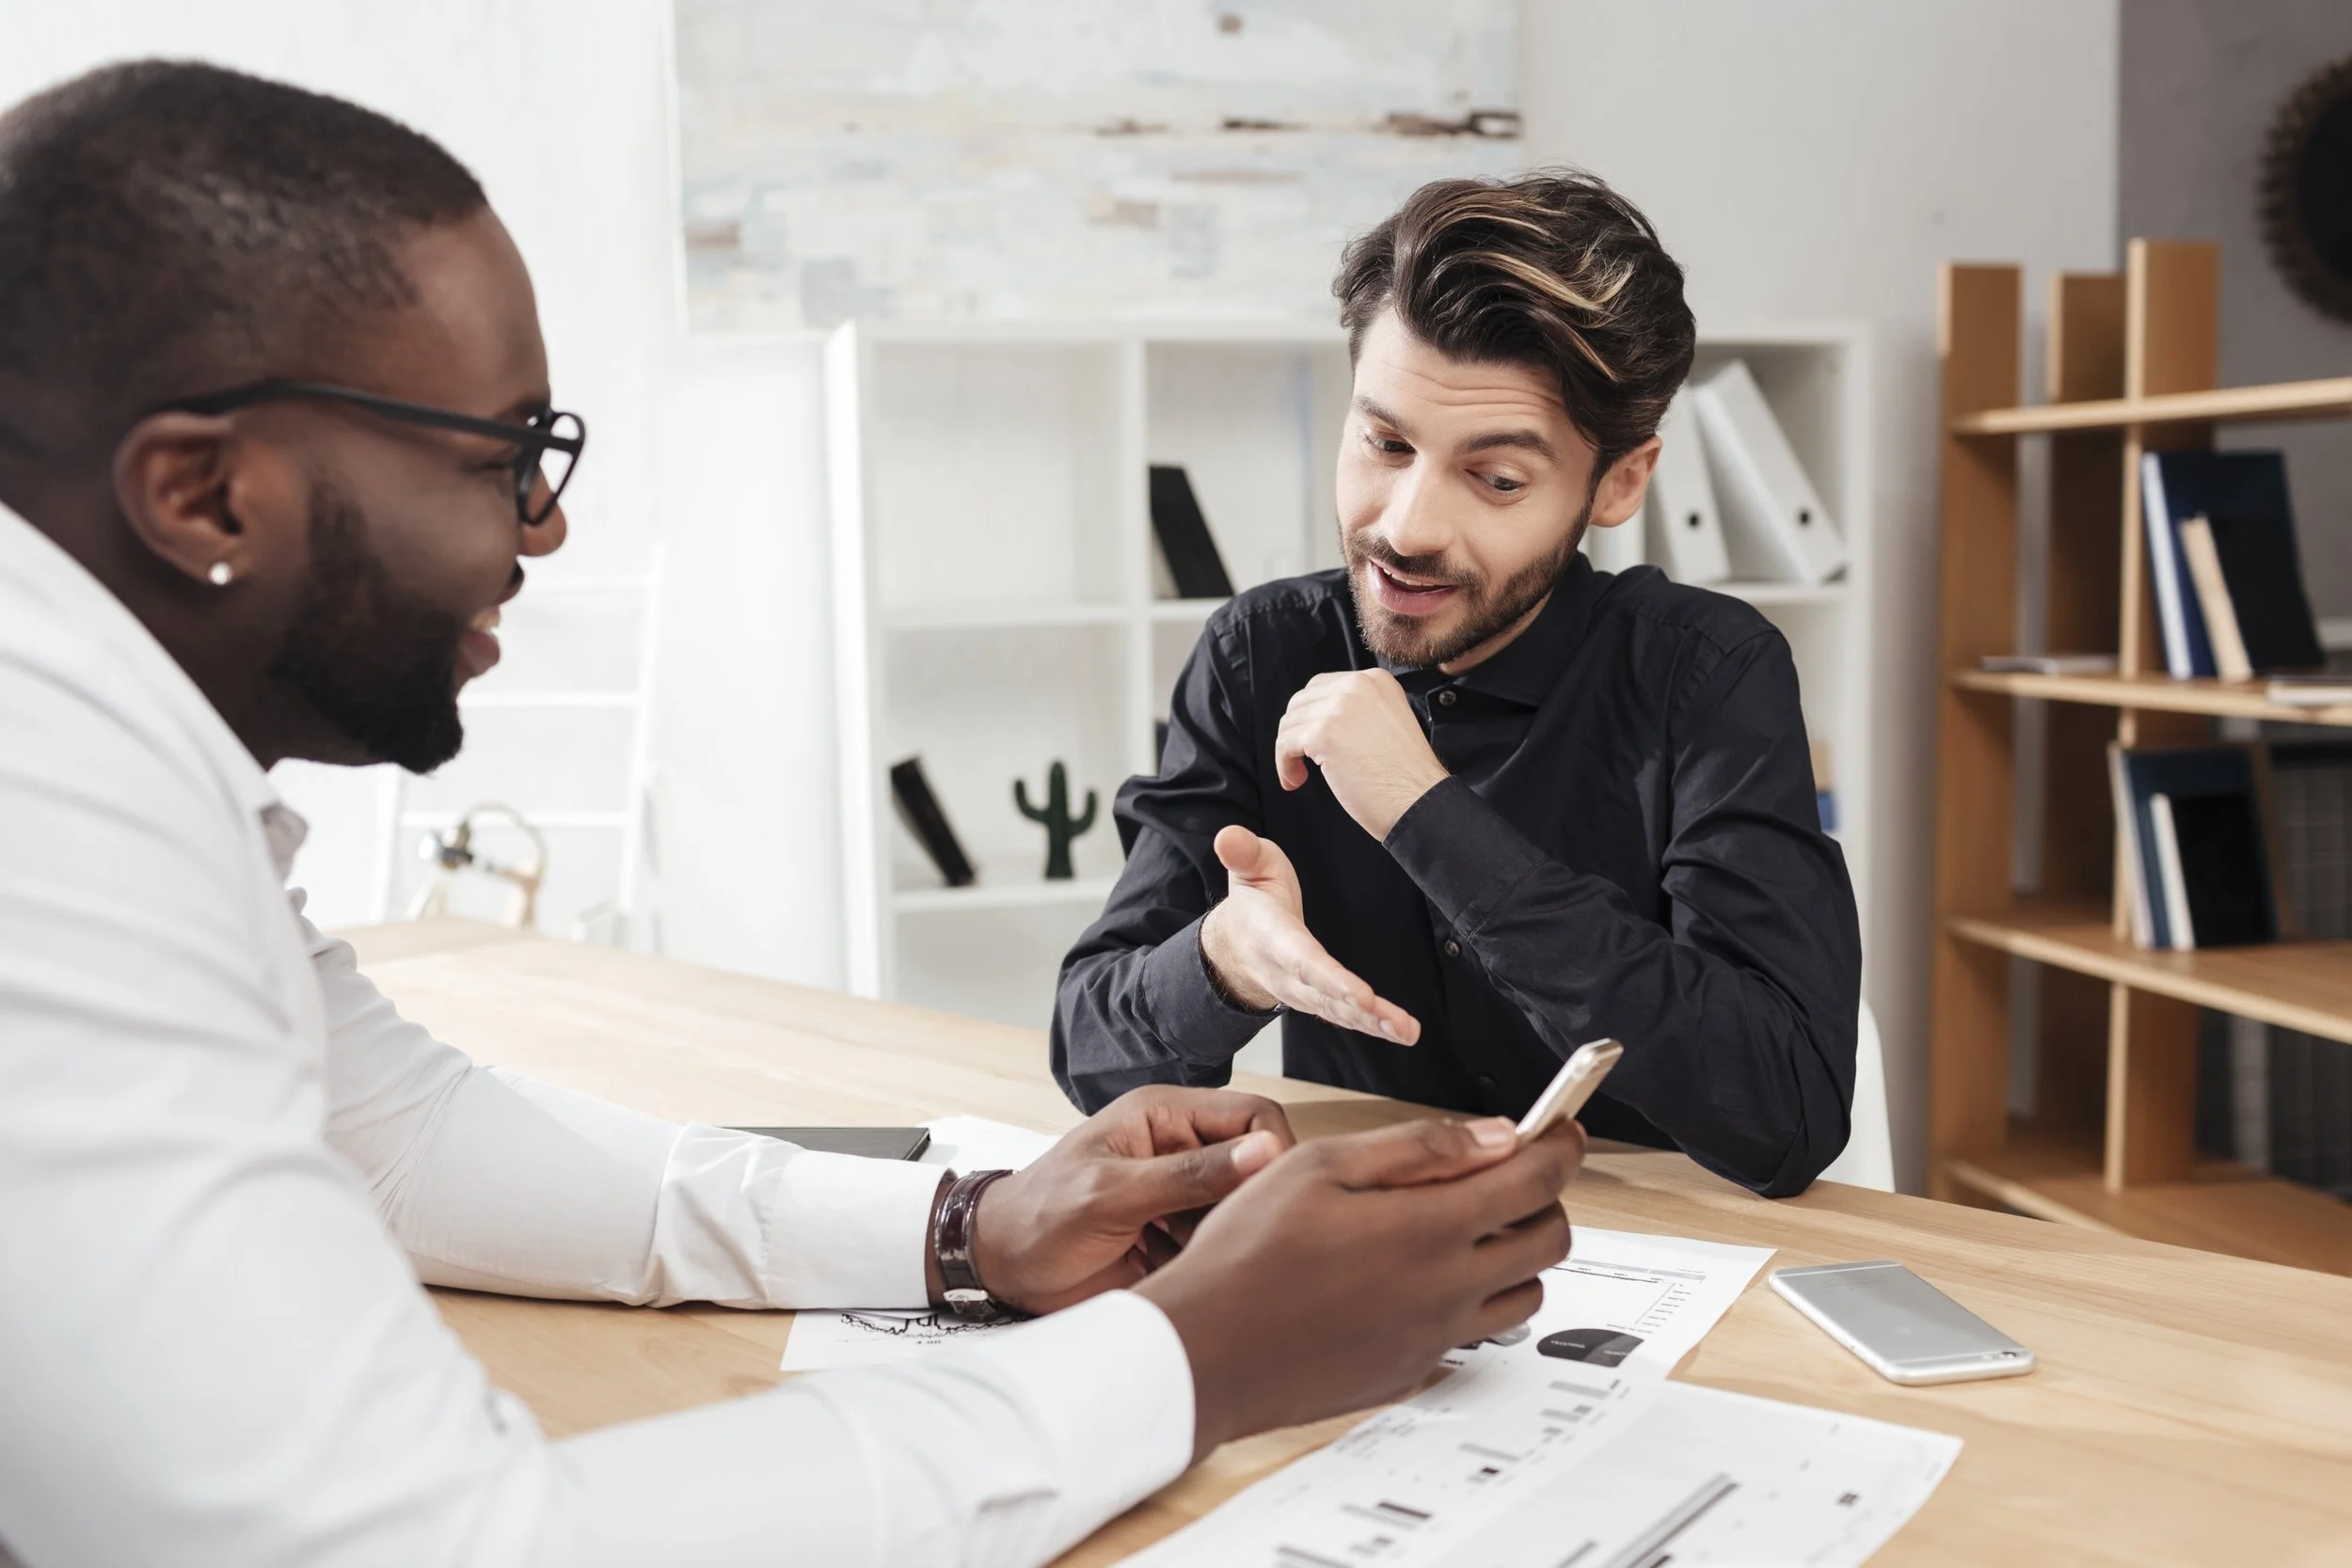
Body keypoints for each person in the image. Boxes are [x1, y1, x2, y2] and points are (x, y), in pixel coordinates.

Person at [0, 62, 1586, 1568]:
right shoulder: (42, 848)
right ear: (205, 496)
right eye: (509, 455)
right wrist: (1192, 1353)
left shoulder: (95, 753)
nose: (548, 526)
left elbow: (393, 1139)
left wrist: (976, 1225)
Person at [1053, 172, 1861, 1198]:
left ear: (1618, 481)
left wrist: (1430, 815)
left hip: (1652, 1253)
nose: (1405, 526)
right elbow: (1087, 1052)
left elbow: (1787, 1113)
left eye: (1498, 478)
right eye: (1384, 443)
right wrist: (1222, 960)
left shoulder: (1705, 674)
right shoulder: (1257, 654)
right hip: (1357, 1258)